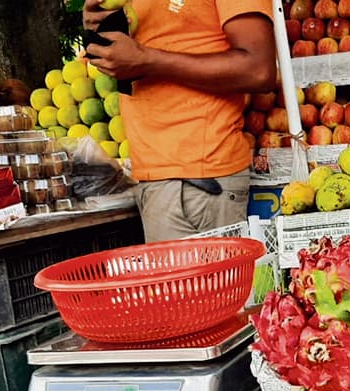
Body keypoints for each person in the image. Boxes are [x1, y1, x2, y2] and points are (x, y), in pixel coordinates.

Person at [83, 0, 277, 242]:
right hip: (158, 179)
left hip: (197, 183)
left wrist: (147, 60)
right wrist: (99, 29)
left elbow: (259, 70)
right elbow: (134, 52)